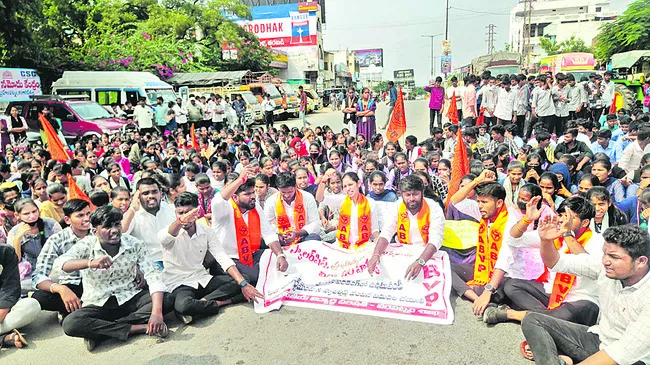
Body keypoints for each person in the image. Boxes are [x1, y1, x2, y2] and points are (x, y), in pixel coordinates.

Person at [522, 223, 650, 365]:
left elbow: (624, 351)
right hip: (600, 341)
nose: (606, 261)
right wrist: (546, 241)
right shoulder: (606, 267)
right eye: (605, 253)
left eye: (614, 257)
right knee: (533, 320)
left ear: (641, 261)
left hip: (633, 359)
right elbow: (556, 262)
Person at [54, 206, 173, 352]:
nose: (115, 230)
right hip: (98, 302)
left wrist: (156, 313)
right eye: (107, 227)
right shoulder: (86, 245)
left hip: (130, 296)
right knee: (71, 324)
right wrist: (90, 263)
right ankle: (138, 327)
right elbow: (60, 264)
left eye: (117, 224)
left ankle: (101, 331)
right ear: (95, 231)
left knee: (167, 300)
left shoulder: (134, 243)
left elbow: (153, 276)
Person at [160, 192, 263, 324]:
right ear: (175, 213)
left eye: (189, 213)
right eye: (181, 213)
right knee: (184, 306)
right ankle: (220, 302)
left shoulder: (207, 231)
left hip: (202, 278)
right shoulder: (167, 232)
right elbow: (165, 238)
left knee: (245, 280)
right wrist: (182, 220)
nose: (185, 217)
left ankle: (201, 304)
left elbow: (222, 257)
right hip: (179, 283)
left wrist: (243, 284)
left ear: (197, 213)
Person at [211, 167, 287, 284]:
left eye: (253, 193)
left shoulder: (254, 206)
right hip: (229, 259)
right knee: (256, 277)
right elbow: (217, 200)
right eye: (247, 194)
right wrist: (240, 179)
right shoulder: (224, 209)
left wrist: (280, 255)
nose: (253, 196)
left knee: (284, 259)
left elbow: (268, 234)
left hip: (252, 253)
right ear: (235, 197)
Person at [367, 175, 445, 279]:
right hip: (403, 250)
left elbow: (436, 239)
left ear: (422, 192)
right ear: (401, 194)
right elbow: (387, 231)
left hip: (426, 252)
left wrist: (420, 262)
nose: (412, 199)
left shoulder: (434, 208)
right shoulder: (397, 206)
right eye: (408, 195)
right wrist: (376, 254)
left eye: (416, 194)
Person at [31, 199, 91, 323]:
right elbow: (38, 275)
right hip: (71, 285)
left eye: (88, 214)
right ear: (68, 220)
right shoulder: (56, 239)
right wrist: (61, 289)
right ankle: (79, 307)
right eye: (80, 215)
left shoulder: (99, 232)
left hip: (99, 283)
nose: (86, 219)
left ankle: (76, 310)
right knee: (39, 297)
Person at [123, 177, 176, 271]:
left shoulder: (171, 209)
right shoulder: (133, 215)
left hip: (174, 259)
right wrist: (132, 208)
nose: (151, 196)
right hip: (150, 262)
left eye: (154, 192)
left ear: (160, 193)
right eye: (145, 193)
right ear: (138, 196)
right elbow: (121, 233)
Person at [315, 171, 379, 250]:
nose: (348, 188)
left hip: (363, 246)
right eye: (345, 186)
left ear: (358, 183)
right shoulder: (342, 200)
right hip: (342, 245)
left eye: (350, 185)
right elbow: (320, 199)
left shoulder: (370, 203)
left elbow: (375, 228)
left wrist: (376, 239)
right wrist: (324, 180)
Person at [0, 245, 41, 349]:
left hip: (3, 309)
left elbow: (11, 288)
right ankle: (3, 338)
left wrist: (2, 311)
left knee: (32, 305)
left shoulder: (6, 252)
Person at [264, 172, 321, 245]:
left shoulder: (307, 197)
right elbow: (267, 224)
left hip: (302, 236)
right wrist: (279, 235)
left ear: (295, 186)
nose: (287, 195)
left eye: (290, 192)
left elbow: (315, 223)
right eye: (283, 192)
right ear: (278, 188)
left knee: (314, 238)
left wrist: (296, 233)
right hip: (281, 238)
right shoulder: (271, 201)